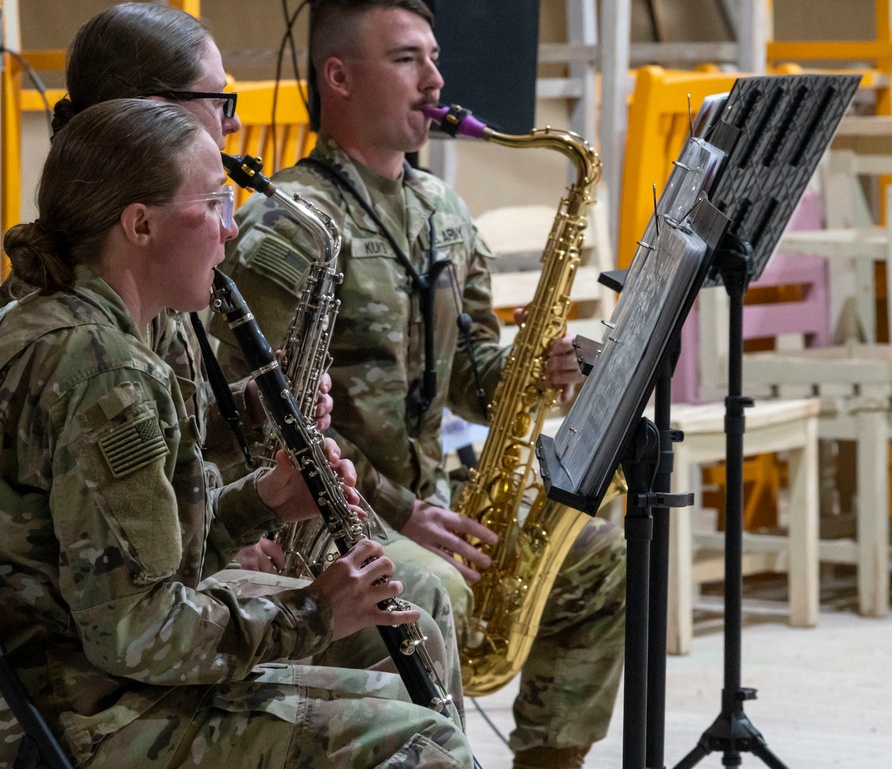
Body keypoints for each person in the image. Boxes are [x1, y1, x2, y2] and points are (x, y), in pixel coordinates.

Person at [0, 99, 472, 769]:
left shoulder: (31, 320)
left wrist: (263, 499)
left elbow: (117, 555)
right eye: (213, 205)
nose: (231, 230)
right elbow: (137, 633)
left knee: (400, 700)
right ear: (141, 224)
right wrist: (319, 612)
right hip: (79, 716)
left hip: (38, 689)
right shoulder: (103, 372)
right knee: (427, 742)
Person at [213, 2, 627, 767]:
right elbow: (259, 418)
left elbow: (473, 370)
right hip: (326, 521)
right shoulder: (288, 223)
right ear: (338, 77)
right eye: (406, 59)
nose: (435, 78)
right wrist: (406, 512)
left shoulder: (445, 210)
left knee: (597, 553)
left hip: (434, 504)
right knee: (434, 587)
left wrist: (538, 365)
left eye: (432, 57)